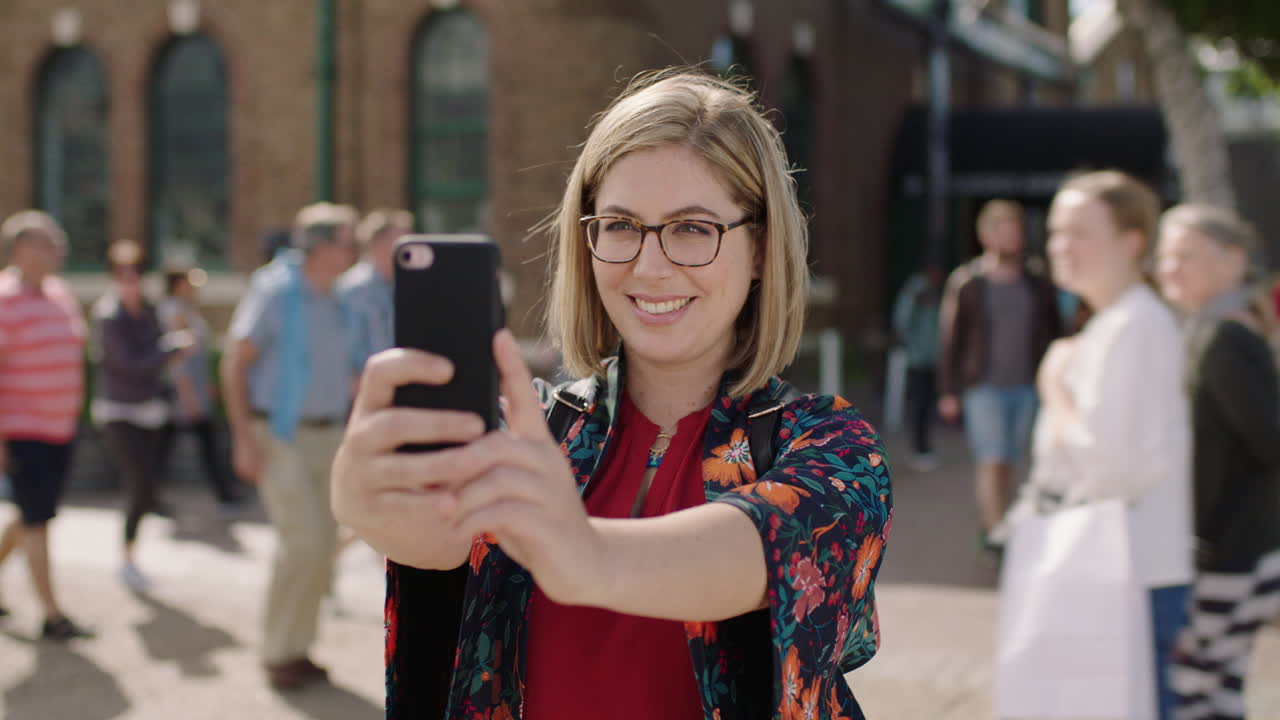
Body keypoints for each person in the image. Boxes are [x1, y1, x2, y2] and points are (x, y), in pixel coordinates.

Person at [331, 69, 893, 720]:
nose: (650, 266)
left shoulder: (830, 445)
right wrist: (367, 503)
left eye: (691, 228)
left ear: (762, 248)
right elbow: (437, 545)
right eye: (621, 225)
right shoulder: (527, 428)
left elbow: (760, 550)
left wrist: (586, 557)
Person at [1009, 171, 1193, 719]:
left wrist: (1056, 390)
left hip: (1129, 581)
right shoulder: (1116, 324)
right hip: (1112, 571)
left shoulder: (1136, 326)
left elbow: (1111, 468)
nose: (1061, 245)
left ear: (1132, 241)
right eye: (1057, 230)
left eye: (1080, 232)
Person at [221, 202, 359, 690]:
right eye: (347, 241)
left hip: (329, 435)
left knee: (322, 546)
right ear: (322, 246)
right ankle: (278, 651)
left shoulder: (338, 297)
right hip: (279, 436)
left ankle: (298, 648)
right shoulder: (275, 291)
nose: (353, 250)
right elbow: (236, 362)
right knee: (301, 541)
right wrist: (242, 438)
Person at [1155, 204, 1280, 720]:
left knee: (1195, 688)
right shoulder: (1208, 330)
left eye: (1186, 254)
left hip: (1232, 553)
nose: (1170, 268)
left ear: (1234, 261)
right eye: (1165, 256)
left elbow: (1270, 440)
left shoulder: (1224, 339)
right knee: (1219, 687)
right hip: (1238, 549)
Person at [937, 199, 1061, 556]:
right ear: (986, 236)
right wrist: (948, 390)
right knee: (992, 459)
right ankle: (995, 535)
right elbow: (951, 340)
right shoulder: (968, 283)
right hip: (984, 387)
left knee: (1018, 462)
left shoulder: (1037, 281)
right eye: (1004, 230)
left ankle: (1011, 524)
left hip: (1031, 387)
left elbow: (1055, 332)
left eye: (1017, 230)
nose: (1013, 238)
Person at [0, 210, 93, 640]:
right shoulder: (3, 299)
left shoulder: (59, 294)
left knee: (32, 513)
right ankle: (52, 615)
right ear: (21, 249)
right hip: (23, 430)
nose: (58, 250)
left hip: (60, 428)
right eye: (48, 242)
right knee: (37, 519)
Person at [91, 239, 193, 592]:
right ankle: (127, 560)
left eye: (135, 272)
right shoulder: (108, 315)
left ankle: (133, 551)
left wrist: (171, 351)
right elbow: (129, 364)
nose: (130, 279)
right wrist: (169, 350)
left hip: (151, 409)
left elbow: (154, 357)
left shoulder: (149, 310)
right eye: (122, 273)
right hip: (119, 411)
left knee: (148, 485)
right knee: (137, 484)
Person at [157, 259, 241, 511]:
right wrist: (189, 394)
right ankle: (224, 493)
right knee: (196, 443)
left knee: (168, 445)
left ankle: (148, 491)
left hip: (193, 389)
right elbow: (177, 359)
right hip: (184, 392)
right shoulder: (175, 311)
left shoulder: (184, 308)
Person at [337, 208, 413, 369]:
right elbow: (347, 355)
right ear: (377, 244)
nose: (408, 250)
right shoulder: (353, 288)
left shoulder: (401, 285)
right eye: (400, 242)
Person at [892, 264, 944, 471]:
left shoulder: (932, 293)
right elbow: (902, 320)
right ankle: (919, 449)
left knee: (926, 403)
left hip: (930, 357)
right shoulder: (917, 291)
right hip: (918, 357)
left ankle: (923, 447)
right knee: (920, 403)